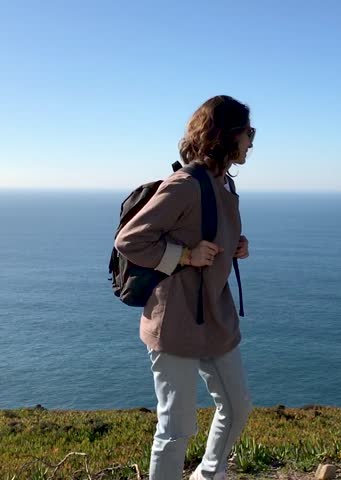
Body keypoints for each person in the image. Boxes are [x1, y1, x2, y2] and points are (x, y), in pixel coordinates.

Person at [115, 95, 255, 480]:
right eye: (248, 132)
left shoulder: (222, 182)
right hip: (175, 320)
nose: (252, 141)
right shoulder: (186, 183)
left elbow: (208, 233)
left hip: (214, 315)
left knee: (237, 406)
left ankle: (209, 476)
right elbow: (129, 241)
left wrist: (235, 246)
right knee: (176, 429)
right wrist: (185, 257)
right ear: (227, 135)